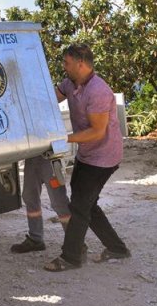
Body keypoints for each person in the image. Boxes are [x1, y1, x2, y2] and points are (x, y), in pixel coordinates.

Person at [44, 43, 130, 272]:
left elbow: (97, 131)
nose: (64, 67)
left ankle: (70, 257)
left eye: (67, 63)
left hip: (103, 157)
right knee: (87, 204)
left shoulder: (98, 91)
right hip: (87, 153)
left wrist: (64, 139)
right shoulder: (71, 83)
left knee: (80, 206)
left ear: (80, 64)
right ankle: (117, 249)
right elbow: (51, 97)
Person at [10, 156, 71, 254]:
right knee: (29, 196)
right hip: (32, 156)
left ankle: (75, 244)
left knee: (59, 201)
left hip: (50, 156)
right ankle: (35, 239)